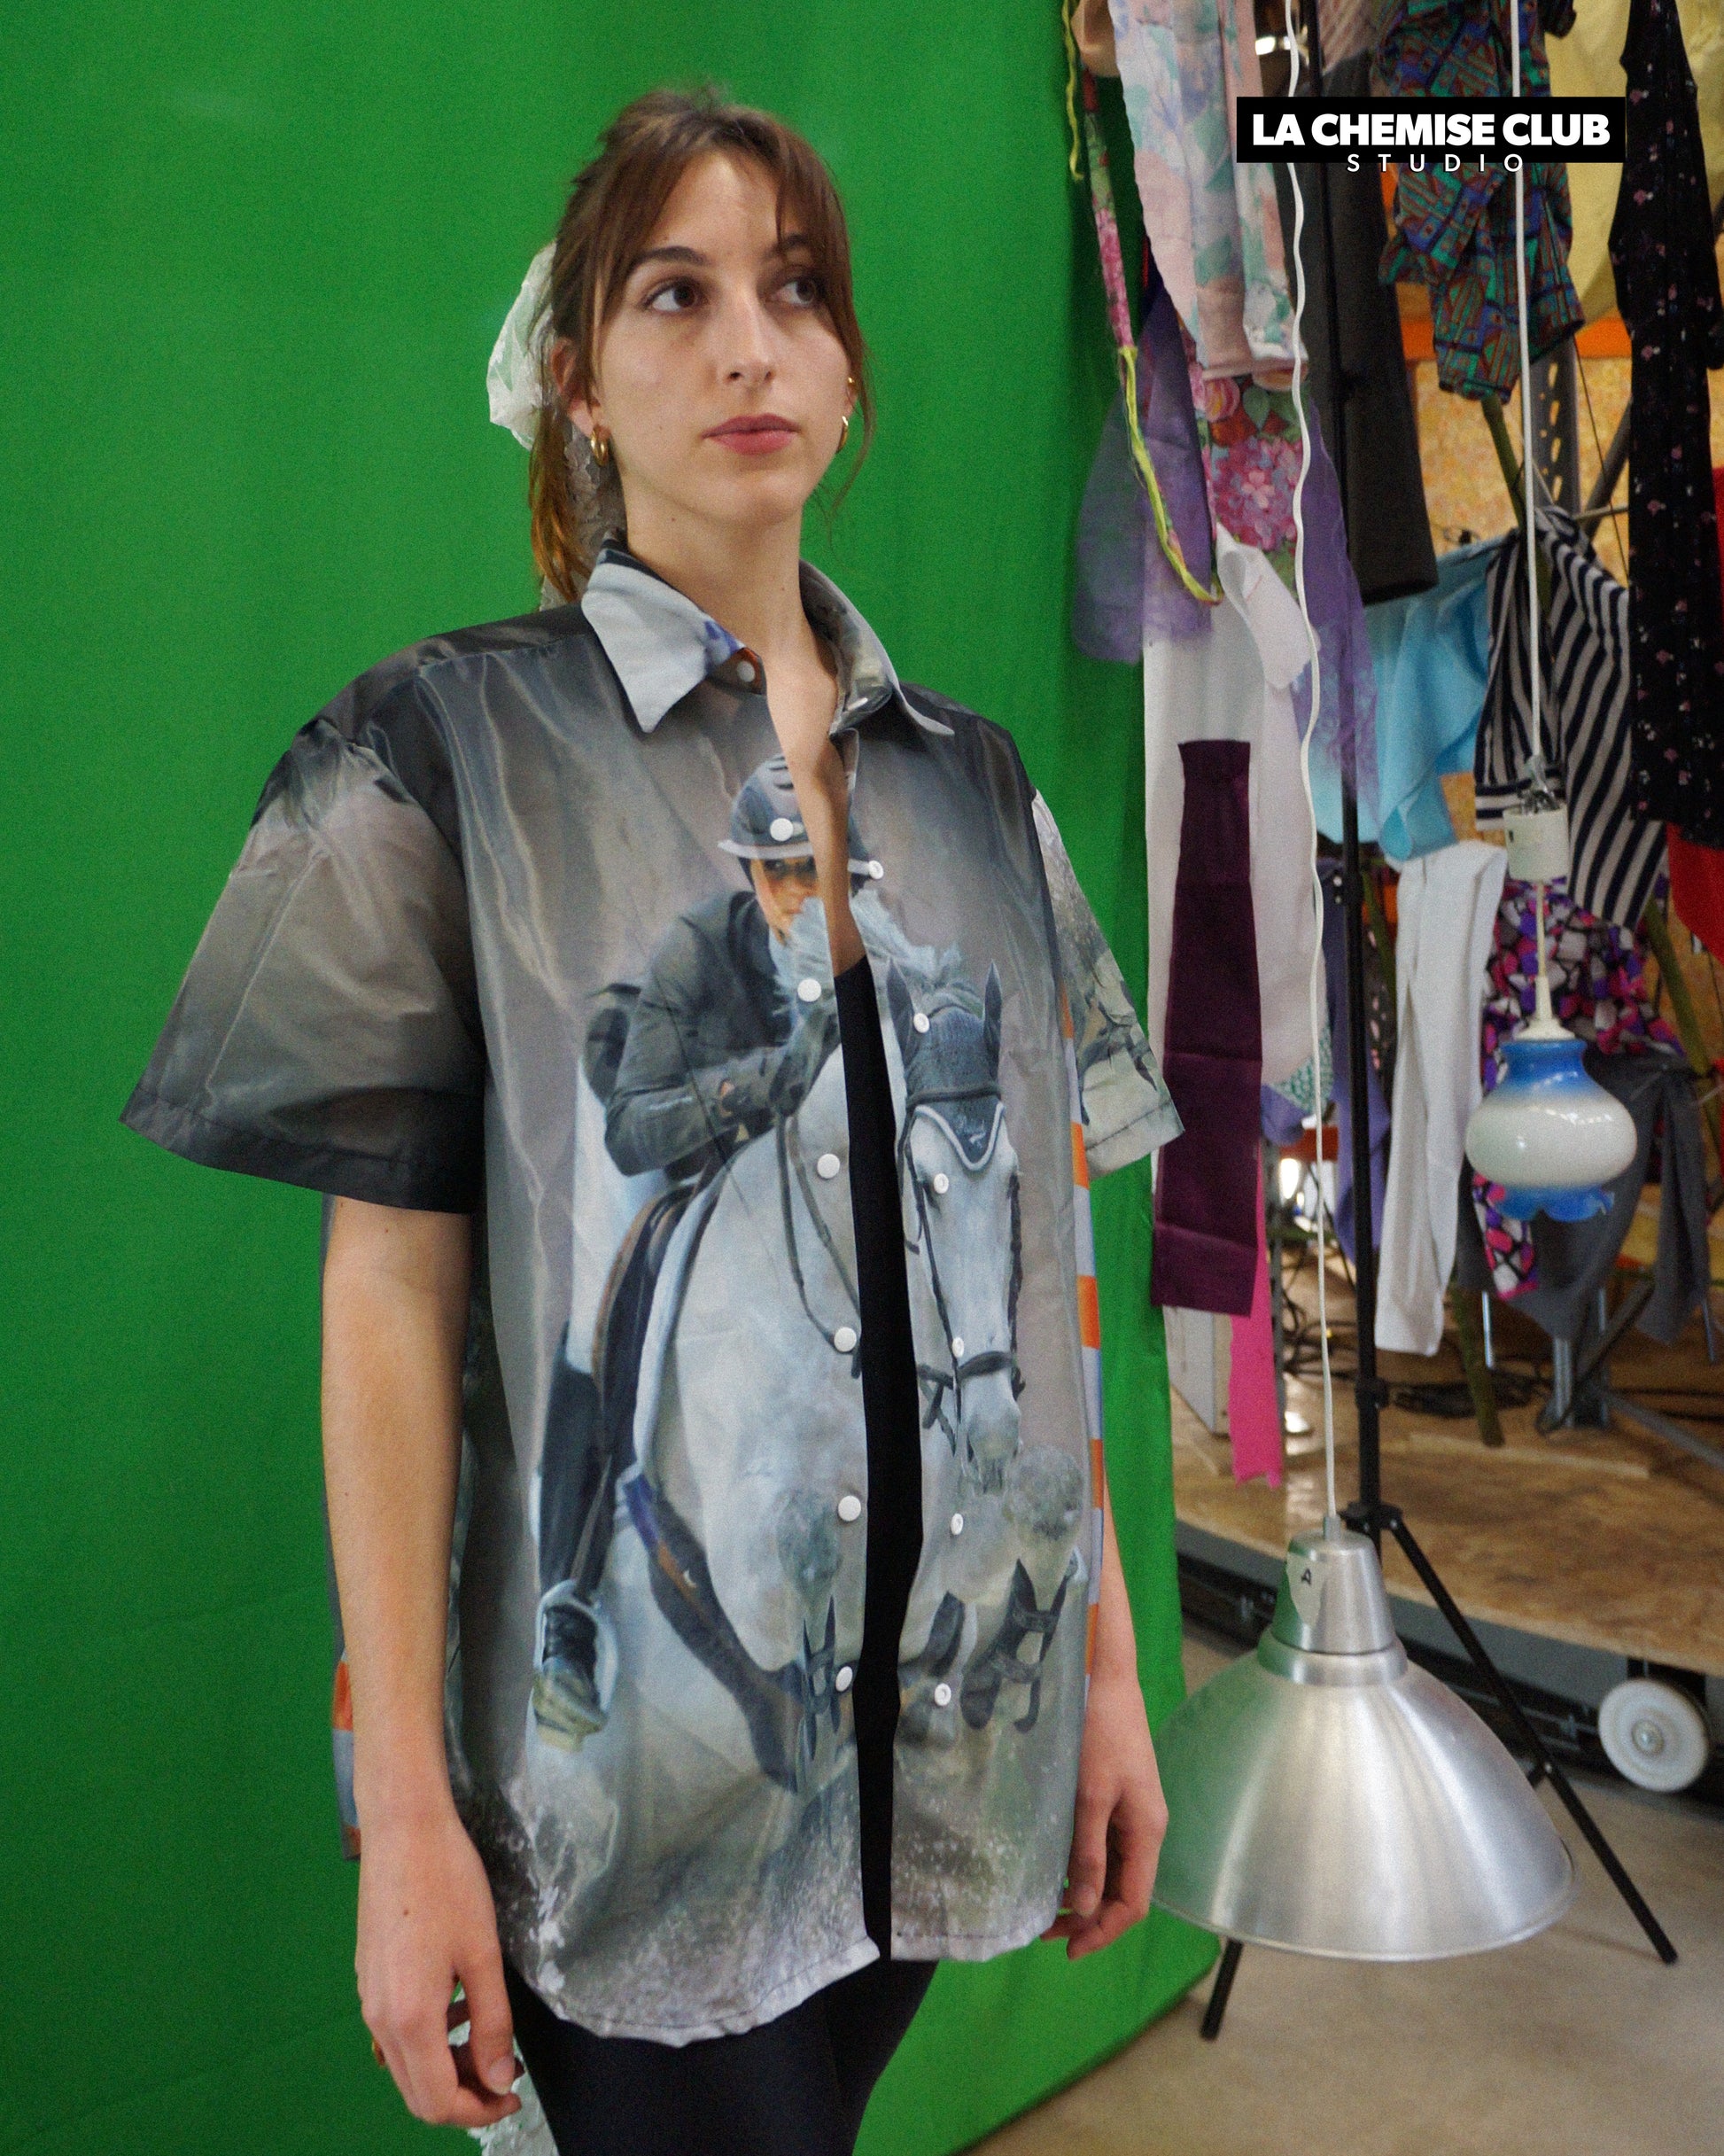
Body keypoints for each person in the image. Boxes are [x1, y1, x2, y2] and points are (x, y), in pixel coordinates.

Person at [123, 88, 1174, 2156]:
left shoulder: (978, 790)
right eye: (675, 294)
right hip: (621, 1802)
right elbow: (390, 1303)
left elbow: (1036, 1262)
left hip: (939, 1751)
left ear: (850, 372)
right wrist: (404, 1808)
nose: (747, 345)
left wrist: (1111, 1673)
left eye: (795, 291)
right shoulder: (439, 749)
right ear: (581, 385)